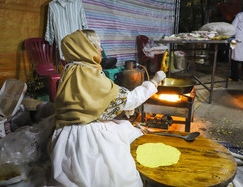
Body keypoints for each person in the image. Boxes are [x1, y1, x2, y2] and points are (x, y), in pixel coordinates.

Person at [48, 29, 166, 187]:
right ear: (87, 48)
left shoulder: (68, 71)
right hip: (85, 141)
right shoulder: (90, 75)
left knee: (125, 128)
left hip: (64, 138)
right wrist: (154, 82)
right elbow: (130, 100)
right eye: (98, 45)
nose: (101, 49)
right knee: (120, 168)